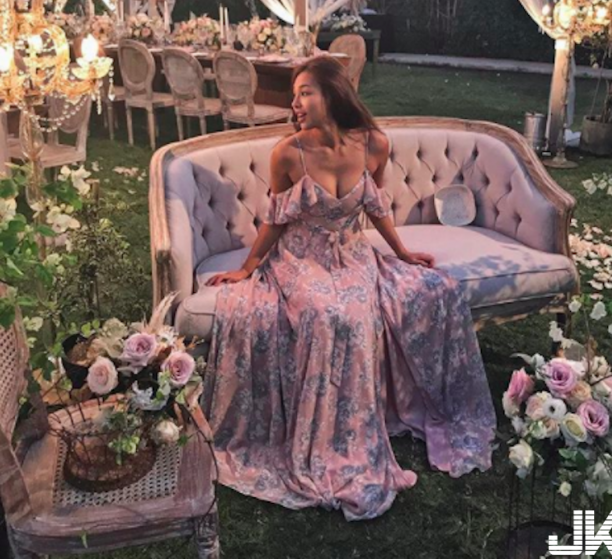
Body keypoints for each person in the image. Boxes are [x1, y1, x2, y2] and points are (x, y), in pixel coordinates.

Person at [203, 56, 496, 521]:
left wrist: (402, 253)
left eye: (305, 93)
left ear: (333, 94)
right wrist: (249, 267)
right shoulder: (288, 154)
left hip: (353, 254)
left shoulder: (374, 144)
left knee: (416, 295)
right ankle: (328, 441)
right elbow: (275, 221)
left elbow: (376, 209)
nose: (295, 104)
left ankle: (363, 427)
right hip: (300, 258)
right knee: (327, 314)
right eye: (294, 95)